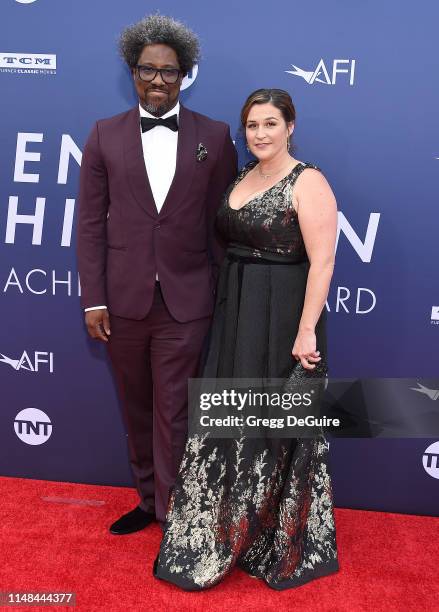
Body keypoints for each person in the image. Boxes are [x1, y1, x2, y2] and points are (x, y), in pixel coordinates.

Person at [154, 88, 339, 590]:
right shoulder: (242, 176)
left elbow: (322, 261)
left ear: (290, 126)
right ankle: (227, 526)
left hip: (282, 315)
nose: (260, 133)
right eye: (252, 125)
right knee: (229, 417)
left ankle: (270, 537)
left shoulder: (309, 181)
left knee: (274, 424)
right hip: (235, 311)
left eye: (270, 124)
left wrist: (305, 332)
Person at [76, 14, 237, 534]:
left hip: (187, 301)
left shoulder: (213, 136)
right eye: (148, 69)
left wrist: (225, 295)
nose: (158, 80)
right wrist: (92, 299)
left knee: (175, 412)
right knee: (138, 409)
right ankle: (148, 500)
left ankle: (174, 515)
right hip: (122, 302)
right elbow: (89, 226)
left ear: (184, 75)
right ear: (132, 71)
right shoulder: (104, 135)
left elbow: (221, 224)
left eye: (170, 71)